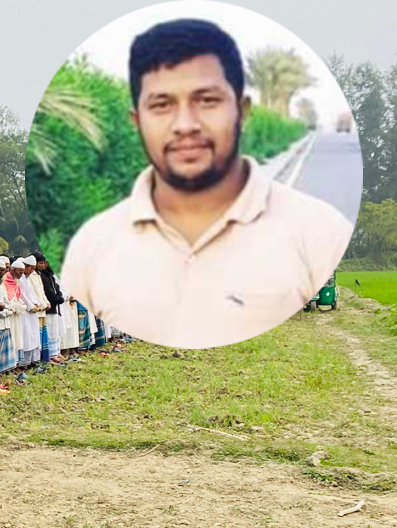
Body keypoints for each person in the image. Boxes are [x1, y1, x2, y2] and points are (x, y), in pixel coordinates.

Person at [61, 19, 352, 349]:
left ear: (242, 111)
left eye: (207, 100)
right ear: (137, 121)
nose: (185, 124)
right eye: (162, 104)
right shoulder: (91, 250)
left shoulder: (321, 234)